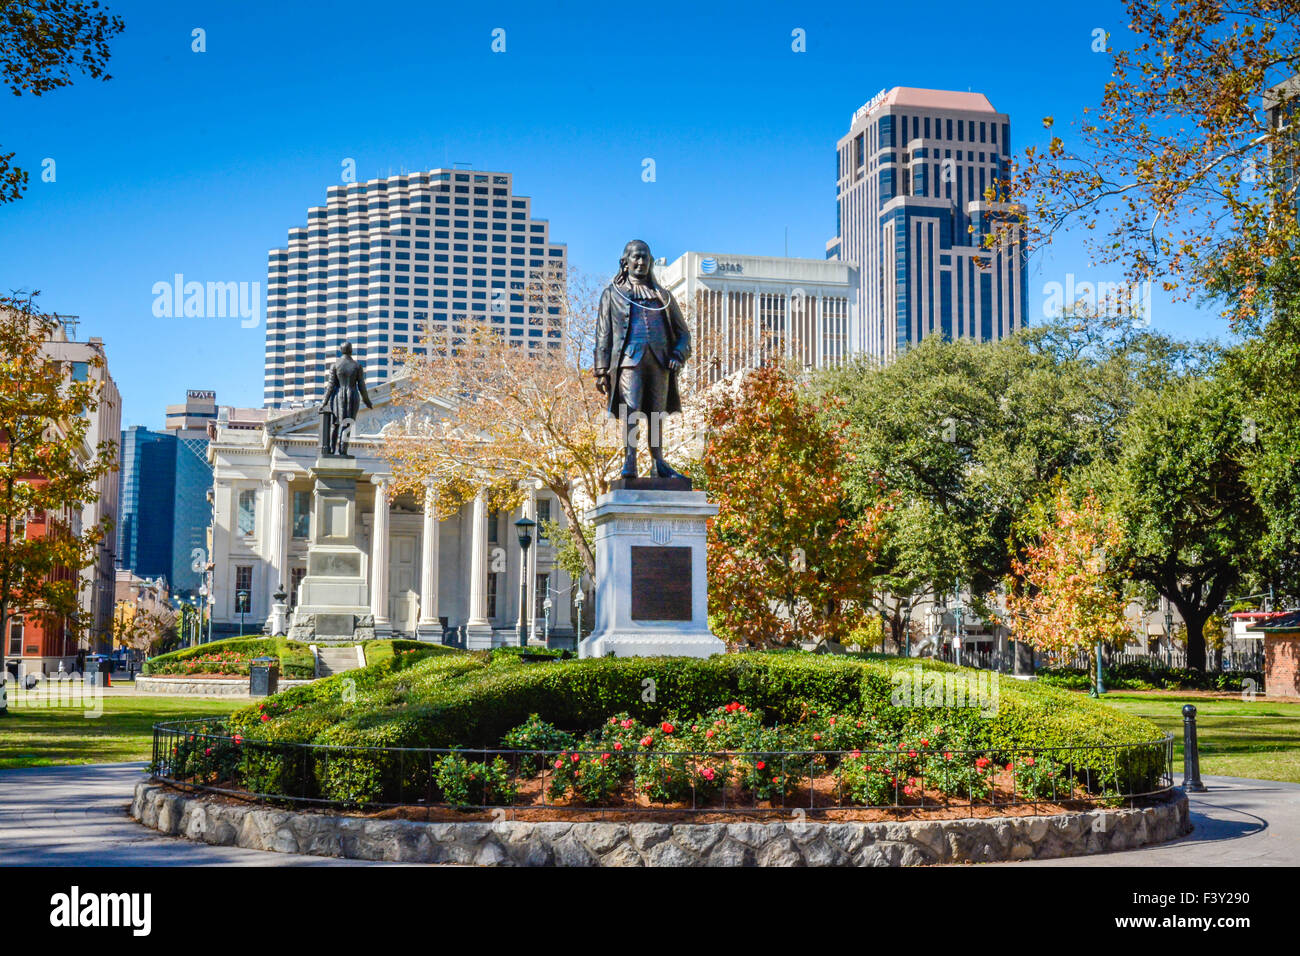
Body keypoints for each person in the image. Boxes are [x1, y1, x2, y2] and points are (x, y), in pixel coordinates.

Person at [593, 240, 691, 479]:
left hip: (660, 362)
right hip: (629, 360)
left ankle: (659, 461)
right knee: (632, 410)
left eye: (645, 257)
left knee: (657, 413)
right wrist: (601, 370)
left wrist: (678, 354)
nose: (640, 262)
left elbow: (683, 334)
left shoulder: (663, 296)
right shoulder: (612, 294)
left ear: (650, 261)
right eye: (636, 257)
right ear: (625, 263)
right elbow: (603, 333)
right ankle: (630, 460)